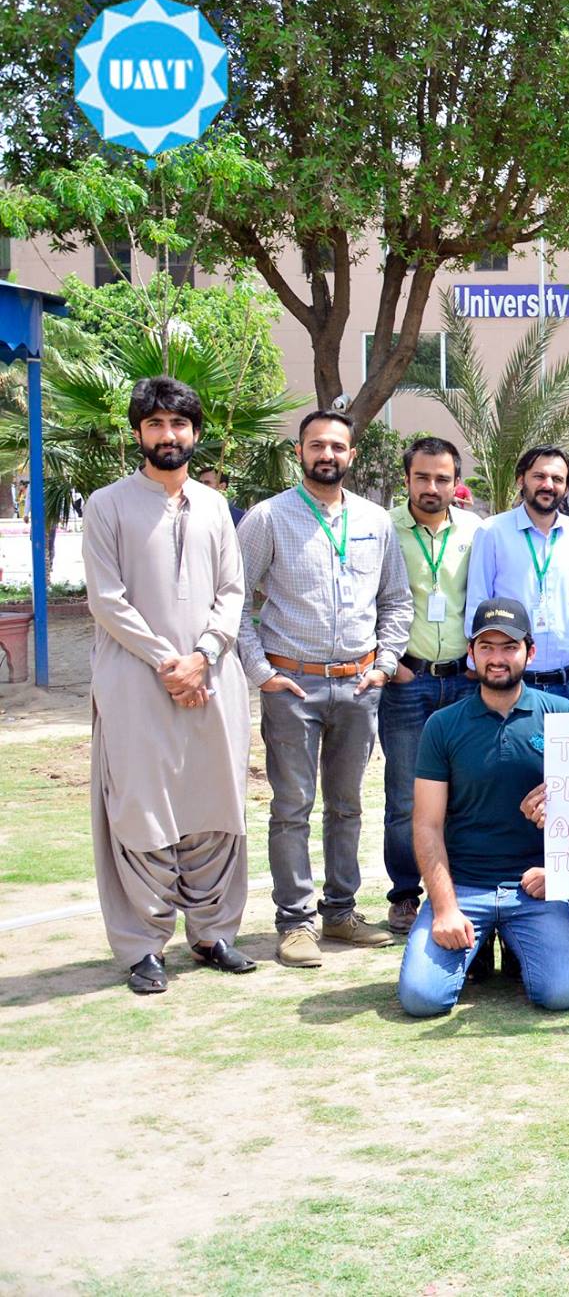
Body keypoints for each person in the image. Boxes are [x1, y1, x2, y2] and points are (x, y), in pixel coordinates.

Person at [84, 377, 255, 994]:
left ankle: (213, 934)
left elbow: (232, 592)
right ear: (139, 433)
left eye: (179, 425)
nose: (168, 436)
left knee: (217, 801)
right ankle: (142, 946)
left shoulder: (214, 507)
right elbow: (106, 600)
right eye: (155, 425)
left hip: (214, 677)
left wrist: (204, 656)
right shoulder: (106, 504)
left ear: (195, 434)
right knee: (140, 807)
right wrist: (170, 663)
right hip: (136, 681)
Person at [239, 410, 410, 966]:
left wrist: (384, 664)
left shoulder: (375, 520)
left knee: (348, 805)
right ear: (300, 451)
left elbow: (396, 600)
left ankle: (339, 913)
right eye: (317, 445)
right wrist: (261, 671)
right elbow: (234, 601)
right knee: (292, 805)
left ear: (351, 455)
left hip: (359, 685)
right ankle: (294, 921)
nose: (327, 455)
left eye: (337, 446)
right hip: (292, 685)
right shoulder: (267, 519)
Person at [394, 599, 569, 1017]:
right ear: (471, 652)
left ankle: (514, 945)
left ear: (530, 652)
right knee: (422, 999)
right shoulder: (443, 726)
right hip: (464, 888)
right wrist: (444, 907)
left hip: (536, 889)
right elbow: (426, 825)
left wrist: (560, 873)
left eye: (509, 647)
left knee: (561, 994)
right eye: (487, 647)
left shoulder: (562, 716)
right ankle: (475, 946)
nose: (497, 658)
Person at [379, 436, 481, 935]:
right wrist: (391, 662)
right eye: (422, 477)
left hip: (463, 681)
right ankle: (404, 894)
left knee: (462, 791)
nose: (432, 487)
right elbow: (365, 597)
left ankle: (457, 887)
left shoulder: (476, 532)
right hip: (406, 681)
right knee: (405, 796)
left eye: (442, 478)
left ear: (454, 482)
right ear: (407, 480)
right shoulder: (383, 529)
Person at [463, 446, 569, 708]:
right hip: (511, 681)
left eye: (557, 479)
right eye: (539, 476)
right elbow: (478, 601)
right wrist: (478, 666)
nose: (548, 485)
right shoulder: (492, 532)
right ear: (521, 480)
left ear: (567, 487)